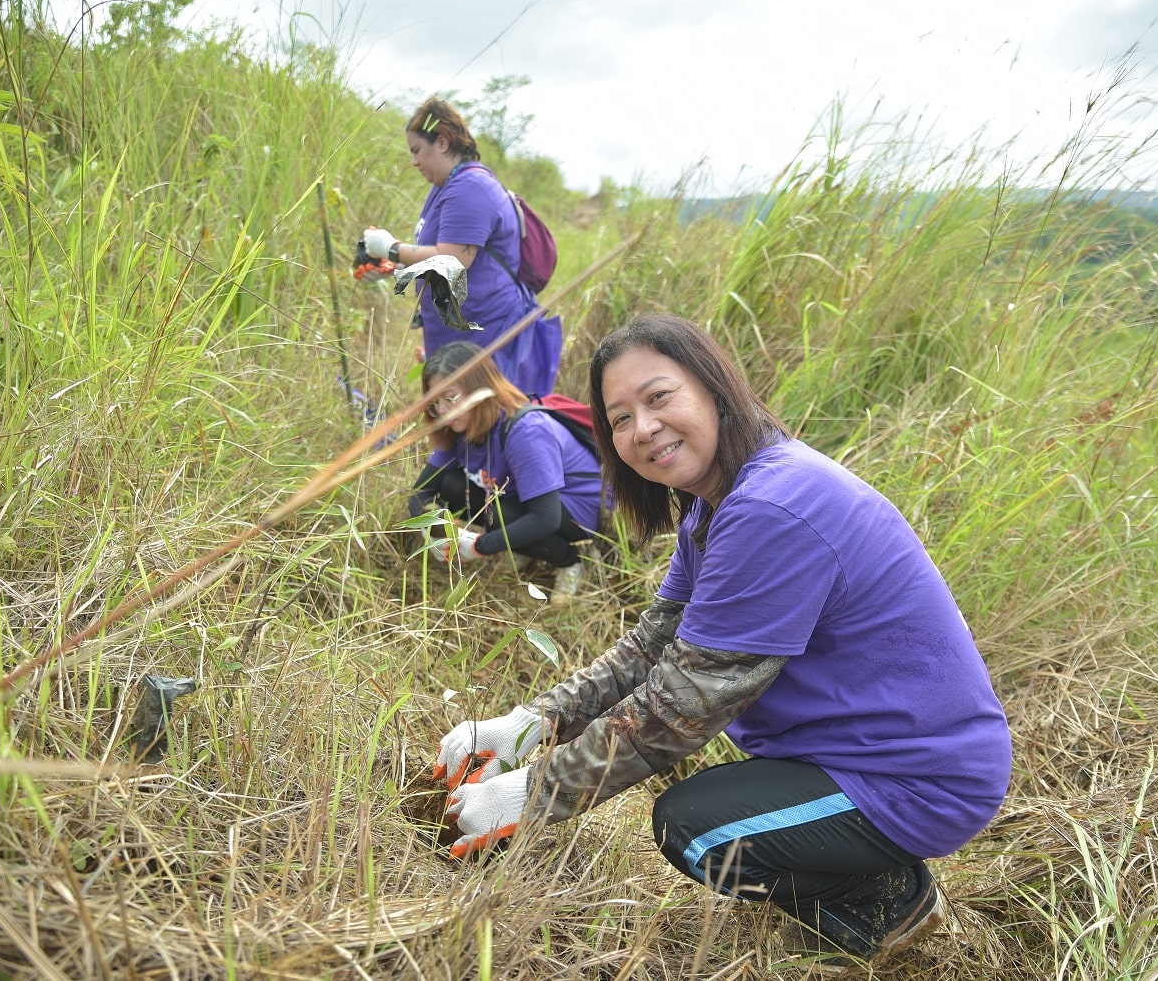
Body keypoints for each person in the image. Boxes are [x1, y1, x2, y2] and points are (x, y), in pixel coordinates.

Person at [432, 314, 1013, 965]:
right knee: (708, 806)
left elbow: (682, 706)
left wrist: (531, 794)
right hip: (859, 750)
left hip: (919, 777)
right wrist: (530, 723)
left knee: (697, 830)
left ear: (713, 386)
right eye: (619, 418)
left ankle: (886, 900)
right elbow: (653, 646)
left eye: (658, 398)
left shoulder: (772, 507)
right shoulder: (718, 504)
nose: (642, 429)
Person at [361, 97, 561, 397]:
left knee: (484, 426)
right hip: (459, 337)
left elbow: (452, 260)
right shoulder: (446, 187)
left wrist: (391, 248)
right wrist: (395, 267)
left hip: (487, 338)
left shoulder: (471, 188)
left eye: (417, 150)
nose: (414, 161)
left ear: (441, 143)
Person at [410, 341, 602, 600]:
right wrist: (432, 526)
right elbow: (422, 491)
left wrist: (478, 545)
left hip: (575, 509)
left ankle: (569, 562)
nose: (443, 410)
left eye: (451, 397)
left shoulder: (525, 431)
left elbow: (546, 517)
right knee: (452, 485)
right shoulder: (457, 426)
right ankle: (523, 545)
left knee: (502, 515)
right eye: (435, 402)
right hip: (521, 497)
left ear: (480, 389)